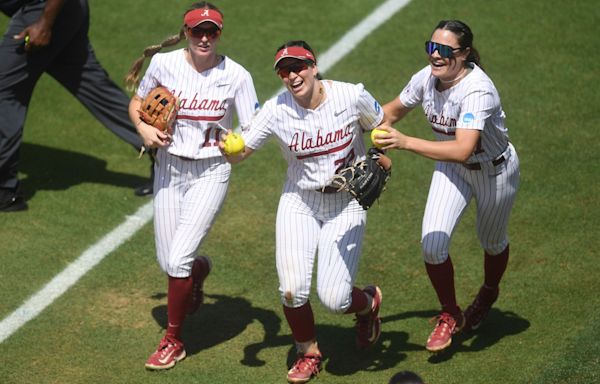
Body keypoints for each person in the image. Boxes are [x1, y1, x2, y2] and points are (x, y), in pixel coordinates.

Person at [222, 40, 385, 383]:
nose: (292, 75)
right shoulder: (276, 110)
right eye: (284, 70)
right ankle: (307, 351)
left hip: (346, 203)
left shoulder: (350, 96)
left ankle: (368, 304)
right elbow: (241, 151)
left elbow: (382, 129)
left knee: (335, 298)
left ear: (313, 66)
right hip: (301, 201)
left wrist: (382, 160)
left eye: (297, 67)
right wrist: (226, 148)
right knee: (292, 290)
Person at [125, 2, 259, 370]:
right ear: (185, 32)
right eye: (197, 31)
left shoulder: (237, 76)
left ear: (219, 33)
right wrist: (143, 128)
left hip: (211, 171)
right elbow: (138, 102)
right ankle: (198, 272)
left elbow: (252, 130)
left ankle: (173, 340)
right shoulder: (164, 64)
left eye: (211, 31)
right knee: (169, 261)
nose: (204, 37)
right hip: (169, 167)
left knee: (178, 258)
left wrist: (239, 151)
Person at [375, 20, 520, 353]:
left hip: (493, 172)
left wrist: (405, 142)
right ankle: (450, 313)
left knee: (492, 242)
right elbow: (392, 112)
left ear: (465, 53)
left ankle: (488, 292)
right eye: (431, 47)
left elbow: (463, 148)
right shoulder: (425, 78)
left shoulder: (477, 90)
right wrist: (352, 131)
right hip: (451, 170)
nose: (435, 56)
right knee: (432, 245)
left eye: (444, 51)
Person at [0, 0, 154, 213]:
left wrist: (45, 23)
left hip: (45, 10)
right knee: (94, 88)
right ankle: (164, 154)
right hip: (64, 10)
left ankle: (4, 190)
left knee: (4, 90)